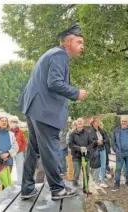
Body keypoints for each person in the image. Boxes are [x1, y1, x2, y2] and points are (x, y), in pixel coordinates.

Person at [19, 23, 88, 201]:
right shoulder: (59, 54)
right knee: (50, 148)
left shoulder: (50, 54)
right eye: (79, 42)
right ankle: (57, 189)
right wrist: (76, 93)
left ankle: (27, 187)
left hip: (34, 108)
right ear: (67, 42)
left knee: (33, 149)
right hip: (44, 111)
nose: (82, 47)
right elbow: (54, 82)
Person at [111, 116, 128, 192]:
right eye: (122, 121)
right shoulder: (116, 130)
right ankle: (116, 184)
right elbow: (113, 142)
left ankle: (127, 183)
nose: (124, 123)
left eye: (125, 121)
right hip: (120, 153)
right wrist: (116, 150)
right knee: (118, 169)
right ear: (120, 121)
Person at [69, 118, 93, 194]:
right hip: (76, 156)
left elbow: (91, 143)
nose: (79, 123)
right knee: (76, 173)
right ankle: (74, 189)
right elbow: (70, 144)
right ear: (76, 123)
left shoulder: (87, 133)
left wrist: (86, 148)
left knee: (86, 173)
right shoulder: (73, 133)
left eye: (81, 122)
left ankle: (86, 188)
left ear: (83, 123)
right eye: (78, 121)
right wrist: (79, 148)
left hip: (86, 156)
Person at [89, 116, 109, 189]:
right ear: (92, 123)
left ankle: (102, 181)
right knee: (97, 166)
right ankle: (96, 182)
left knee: (103, 166)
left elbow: (107, 139)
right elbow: (90, 141)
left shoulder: (102, 131)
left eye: (98, 121)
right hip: (95, 150)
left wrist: (102, 141)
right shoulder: (90, 131)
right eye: (96, 121)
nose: (98, 122)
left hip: (103, 149)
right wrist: (97, 142)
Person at [10, 116, 27, 185]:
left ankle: (20, 182)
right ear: (10, 123)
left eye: (16, 122)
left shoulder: (20, 132)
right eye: (13, 122)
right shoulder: (8, 131)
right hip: (10, 152)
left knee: (20, 167)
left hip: (19, 152)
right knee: (10, 167)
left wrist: (22, 150)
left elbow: (24, 142)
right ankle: (10, 182)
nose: (14, 123)